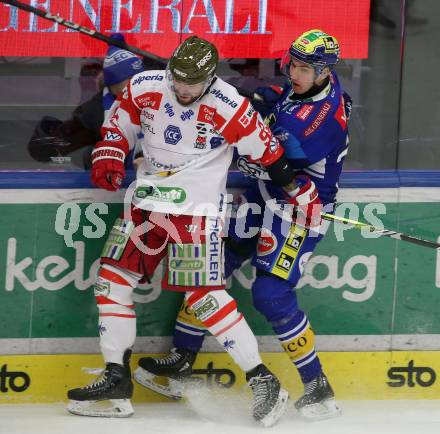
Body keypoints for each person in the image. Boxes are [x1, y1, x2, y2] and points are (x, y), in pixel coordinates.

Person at [66, 35, 320, 426]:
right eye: (178, 80)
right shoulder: (143, 87)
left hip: (196, 210)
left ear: (210, 79)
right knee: (111, 280)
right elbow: (118, 127)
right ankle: (116, 378)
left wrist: (298, 190)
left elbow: (269, 155)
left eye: (193, 84)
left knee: (204, 296)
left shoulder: (231, 107)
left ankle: (262, 379)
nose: (184, 90)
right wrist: (110, 152)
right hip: (145, 204)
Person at [134, 29, 352, 421]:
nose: (294, 73)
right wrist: (261, 97)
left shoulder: (321, 119)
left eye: (304, 68)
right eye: (292, 64)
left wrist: (238, 107)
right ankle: (183, 358)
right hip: (263, 197)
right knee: (209, 269)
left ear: (324, 72)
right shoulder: (307, 88)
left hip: (298, 208)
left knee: (270, 294)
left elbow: (266, 154)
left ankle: (317, 385)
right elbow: (278, 109)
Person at [27, 33, 144, 168]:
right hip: (113, 182)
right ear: (113, 83)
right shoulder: (94, 112)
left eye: (141, 76)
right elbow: (43, 151)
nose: (140, 82)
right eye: (131, 78)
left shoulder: (156, 100)